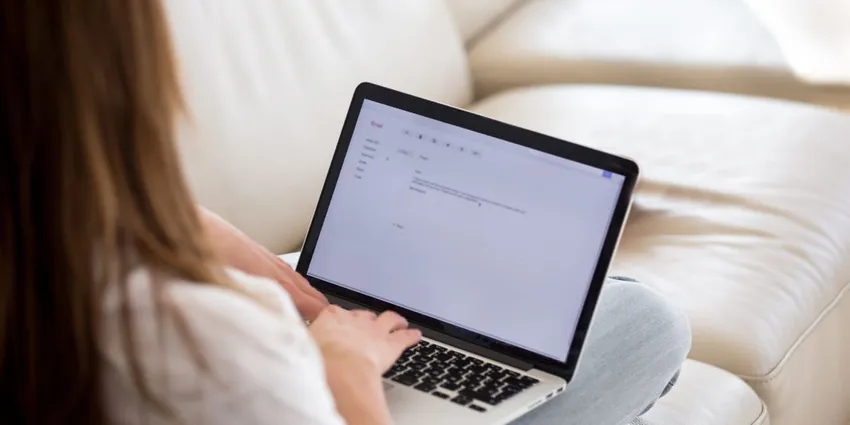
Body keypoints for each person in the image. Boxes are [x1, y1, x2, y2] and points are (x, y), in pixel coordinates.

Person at [0, 1, 690, 424]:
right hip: (309, 380)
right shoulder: (202, 340)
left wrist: (180, 225)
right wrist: (348, 366)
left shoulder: (51, 243)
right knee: (642, 318)